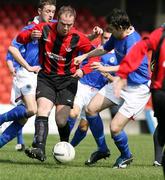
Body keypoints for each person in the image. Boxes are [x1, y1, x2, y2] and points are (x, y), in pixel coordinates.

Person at [16, 5, 99, 162]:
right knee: (43, 110)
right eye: (63, 24)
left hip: (68, 81)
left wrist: (83, 70)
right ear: (57, 20)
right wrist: (30, 35)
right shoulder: (44, 28)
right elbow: (20, 39)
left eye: (70, 24)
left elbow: (95, 56)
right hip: (46, 78)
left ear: (73, 23)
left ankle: (65, 145)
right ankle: (39, 148)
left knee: (61, 120)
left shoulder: (78, 37)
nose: (66, 27)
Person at [74, 8, 151, 168]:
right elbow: (103, 48)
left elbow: (127, 66)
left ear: (121, 27)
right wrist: (85, 56)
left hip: (137, 89)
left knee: (115, 128)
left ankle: (126, 155)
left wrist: (104, 68)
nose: (109, 31)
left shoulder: (134, 42)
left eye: (112, 29)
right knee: (91, 109)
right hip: (121, 81)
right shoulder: (118, 36)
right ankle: (102, 149)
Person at [0, 0, 56, 149]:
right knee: (32, 109)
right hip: (27, 73)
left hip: (42, 76)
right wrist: (28, 66)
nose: (50, 15)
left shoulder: (55, 26)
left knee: (24, 118)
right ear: (39, 11)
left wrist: (91, 36)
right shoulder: (30, 28)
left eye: (52, 11)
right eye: (47, 11)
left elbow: (74, 37)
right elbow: (12, 49)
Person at [112, 24, 165, 175]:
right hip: (161, 89)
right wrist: (123, 74)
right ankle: (159, 158)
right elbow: (140, 49)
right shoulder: (160, 34)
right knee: (163, 124)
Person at [68, 29, 118, 165]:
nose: (107, 40)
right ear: (101, 38)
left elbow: (117, 81)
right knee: (73, 113)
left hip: (97, 92)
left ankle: (69, 147)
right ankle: (64, 141)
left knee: (83, 127)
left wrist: (107, 74)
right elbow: (77, 42)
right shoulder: (93, 50)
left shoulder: (118, 57)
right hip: (83, 86)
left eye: (109, 38)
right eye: (105, 38)